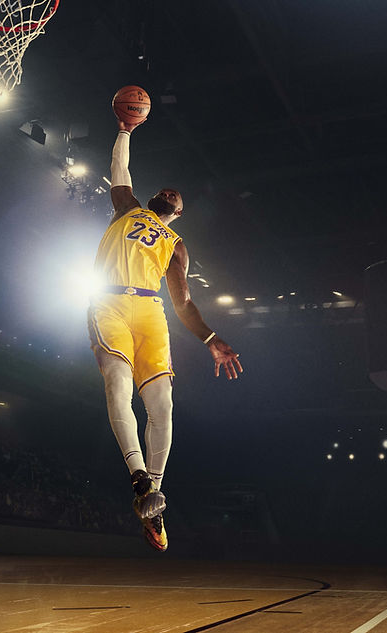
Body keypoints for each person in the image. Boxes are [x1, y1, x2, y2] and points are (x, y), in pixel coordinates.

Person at [87, 115, 243, 551]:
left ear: (177, 214)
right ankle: (139, 479)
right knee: (118, 384)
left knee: (163, 406)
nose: (171, 191)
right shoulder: (127, 208)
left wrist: (212, 341)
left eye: (177, 196)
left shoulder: (176, 246)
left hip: (151, 310)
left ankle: (153, 497)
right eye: (168, 190)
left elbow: (184, 303)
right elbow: (120, 171)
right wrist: (123, 129)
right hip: (110, 301)